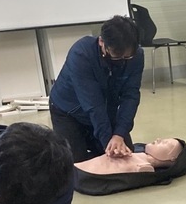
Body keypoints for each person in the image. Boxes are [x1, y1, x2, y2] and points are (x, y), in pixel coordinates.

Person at [50, 15, 144, 162]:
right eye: (117, 56)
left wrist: (119, 134)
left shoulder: (136, 55)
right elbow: (93, 105)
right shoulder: (81, 54)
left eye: (128, 57)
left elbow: (131, 96)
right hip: (69, 112)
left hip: (105, 111)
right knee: (75, 166)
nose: (122, 62)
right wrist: (109, 144)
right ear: (101, 41)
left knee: (126, 157)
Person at [74, 138, 182, 174]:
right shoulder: (141, 156)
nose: (158, 139)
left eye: (165, 143)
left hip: (87, 171)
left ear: (172, 158)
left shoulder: (145, 166)